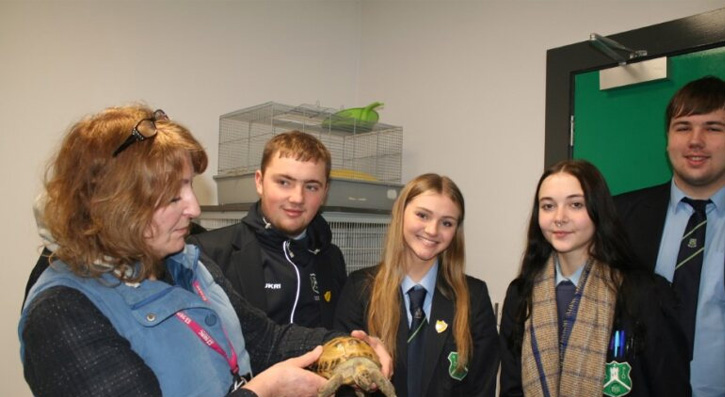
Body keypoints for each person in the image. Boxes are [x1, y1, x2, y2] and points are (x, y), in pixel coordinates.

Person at [19, 105, 389, 397]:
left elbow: (266, 339)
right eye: (174, 195)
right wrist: (263, 391)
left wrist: (351, 347)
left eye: (190, 188)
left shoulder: (188, 264)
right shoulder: (61, 314)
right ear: (117, 203)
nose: (195, 209)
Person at [499, 159, 690, 397]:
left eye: (575, 205)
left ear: (598, 210)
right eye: (548, 206)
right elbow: (511, 388)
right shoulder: (521, 293)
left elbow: (670, 387)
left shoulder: (643, 292)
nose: (560, 217)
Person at [334, 173, 500, 397]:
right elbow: (344, 384)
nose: (432, 230)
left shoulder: (474, 297)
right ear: (399, 213)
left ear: (455, 231)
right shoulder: (359, 289)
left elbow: (483, 386)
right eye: (422, 215)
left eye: (446, 223)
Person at [614, 76, 725, 397]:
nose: (696, 140)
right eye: (683, 127)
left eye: (713, 128)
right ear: (667, 139)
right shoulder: (622, 217)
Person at [188, 130, 347, 328]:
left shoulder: (331, 258)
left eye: (311, 187)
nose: (297, 198)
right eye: (284, 182)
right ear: (259, 182)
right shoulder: (206, 253)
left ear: (325, 192)